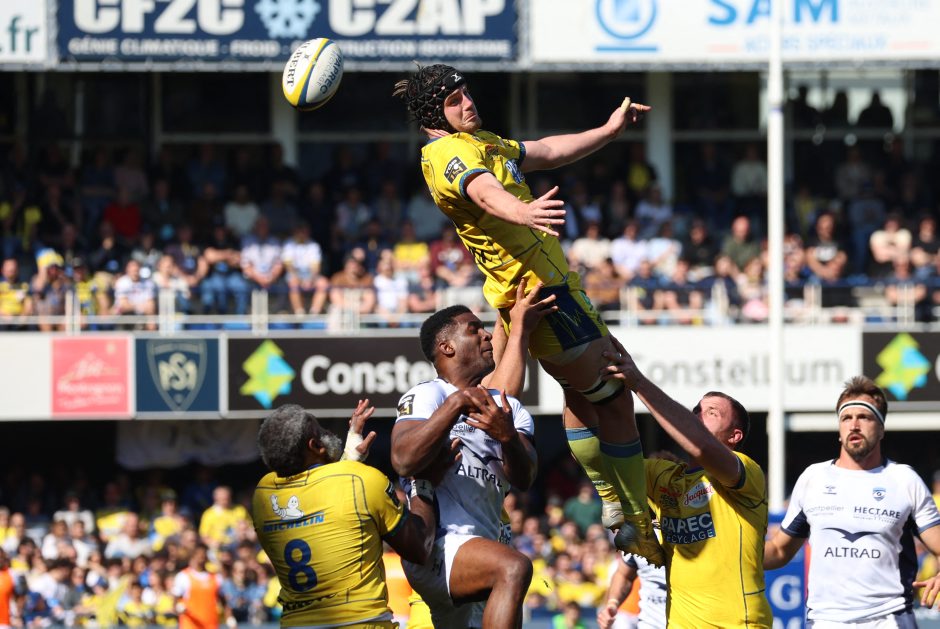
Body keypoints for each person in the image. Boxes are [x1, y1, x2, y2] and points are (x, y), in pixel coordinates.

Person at [393, 64, 662, 563]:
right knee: (615, 390)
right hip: (542, 291)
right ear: (433, 115)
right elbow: (482, 191)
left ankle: (614, 503)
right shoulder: (447, 152)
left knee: (581, 393)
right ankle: (634, 520)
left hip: (535, 287)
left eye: (466, 93)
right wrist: (521, 211)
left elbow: (547, 150)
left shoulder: (481, 141)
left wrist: (608, 130)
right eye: (454, 101)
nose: (467, 103)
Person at [390, 280, 555, 627]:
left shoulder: (508, 410)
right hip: (438, 546)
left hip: (482, 548)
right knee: (514, 567)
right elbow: (403, 460)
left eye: (485, 328)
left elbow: (525, 478)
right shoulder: (429, 395)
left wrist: (508, 437)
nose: (487, 336)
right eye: (474, 330)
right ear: (447, 347)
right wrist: (458, 402)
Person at [594, 337, 772, 627]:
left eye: (712, 412)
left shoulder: (747, 471)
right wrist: (581, 383)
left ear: (734, 436)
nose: (699, 414)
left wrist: (639, 382)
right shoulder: (664, 477)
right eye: (696, 410)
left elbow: (701, 445)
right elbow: (602, 455)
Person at [251, 400, 448, 628]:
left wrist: (348, 458)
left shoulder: (263, 493)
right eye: (321, 429)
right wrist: (424, 483)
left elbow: (319, 494)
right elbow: (419, 547)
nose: (327, 432)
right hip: (362, 622)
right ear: (315, 445)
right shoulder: (361, 479)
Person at [764, 376, 940, 627]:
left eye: (864, 417)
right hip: (826, 620)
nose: (854, 425)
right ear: (839, 429)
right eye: (846, 418)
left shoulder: (904, 480)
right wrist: (730, 555)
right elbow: (780, 550)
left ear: (881, 429)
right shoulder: (813, 478)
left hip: (888, 620)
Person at [597, 552, 667, 629]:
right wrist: (612, 603)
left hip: (677, 621)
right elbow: (623, 574)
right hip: (643, 620)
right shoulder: (633, 545)